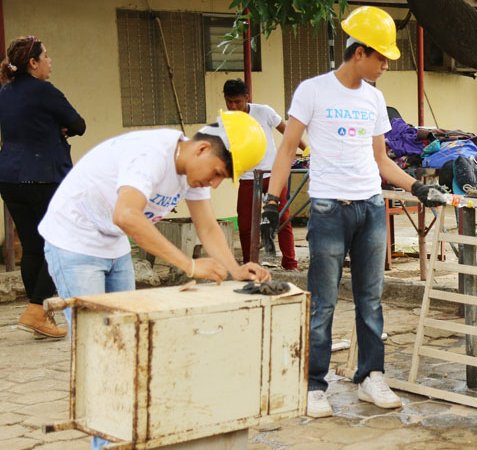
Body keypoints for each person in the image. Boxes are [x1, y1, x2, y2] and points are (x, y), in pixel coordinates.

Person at [262, 6, 447, 418]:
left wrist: (416, 187)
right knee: (324, 301)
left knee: (371, 299)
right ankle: (313, 385)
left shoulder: (375, 98)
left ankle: (370, 376)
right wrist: (272, 203)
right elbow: (288, 147)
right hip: (329, 209)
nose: (385, 65)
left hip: (370, 208)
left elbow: (381, 159)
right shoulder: (312, 90)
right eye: (381, 57)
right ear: (359, 52)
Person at [38, 110, 272, 319]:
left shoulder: (194, 171)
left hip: (114, 241)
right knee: (92, 338)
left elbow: (208, 226)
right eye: (218, 173)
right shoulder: (151, 155)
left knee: (125, 329)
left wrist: (235, 269)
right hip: (75, 239)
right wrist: (189, 265)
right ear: (203, 149)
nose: (215, 184)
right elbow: (127, 215)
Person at [0, 36, 85, 339]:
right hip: (45, 177)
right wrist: (59, 126)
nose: (50, 61)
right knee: (61, 244)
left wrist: (50, 126)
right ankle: (37, 310)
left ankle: (37, 315)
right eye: (45, 56)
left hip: (10, 178)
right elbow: (79, 124)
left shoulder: (4, 92)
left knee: (34, 246)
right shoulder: (45, 91)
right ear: (33, 63)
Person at [223, 78, 306, 270]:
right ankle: (249, 264)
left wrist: (308, 149)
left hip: (272, 174)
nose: (233, 106)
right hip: (247, 178)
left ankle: (290, 263)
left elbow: (288, 132)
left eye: (237, 101)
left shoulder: (264, 111)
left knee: (282, 218)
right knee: (245, 225)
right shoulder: (226, 122)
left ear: (246, 97)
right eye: (229, 102)